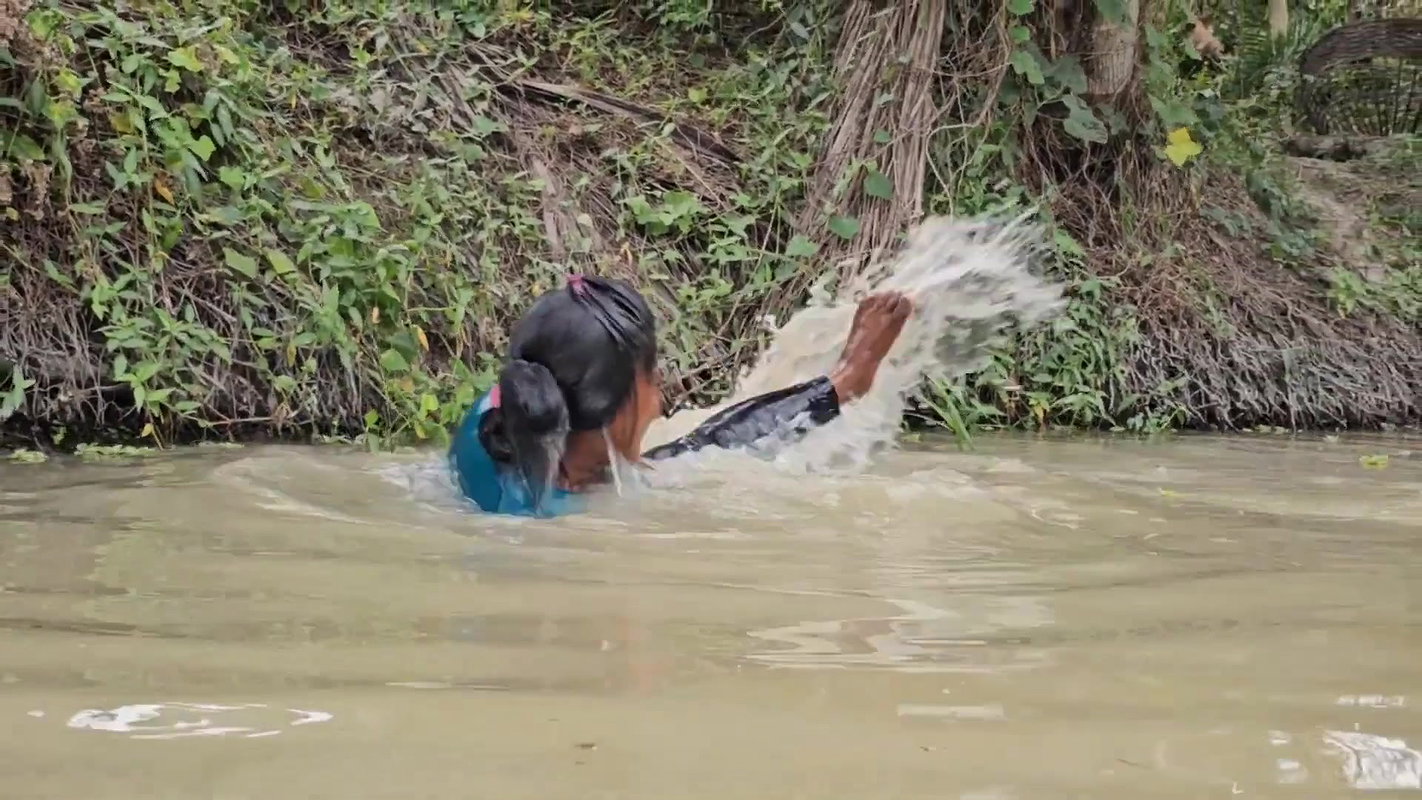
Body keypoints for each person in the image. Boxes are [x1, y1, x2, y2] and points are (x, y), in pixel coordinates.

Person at [448, 274, 911, 517]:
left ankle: (844, 383)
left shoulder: (491, 418)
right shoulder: (568, 513)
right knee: (693, 458)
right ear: (611, 412)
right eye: (652, 378)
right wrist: (844, 382)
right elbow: (707, 451)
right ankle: (847, 381)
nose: (660, 402)